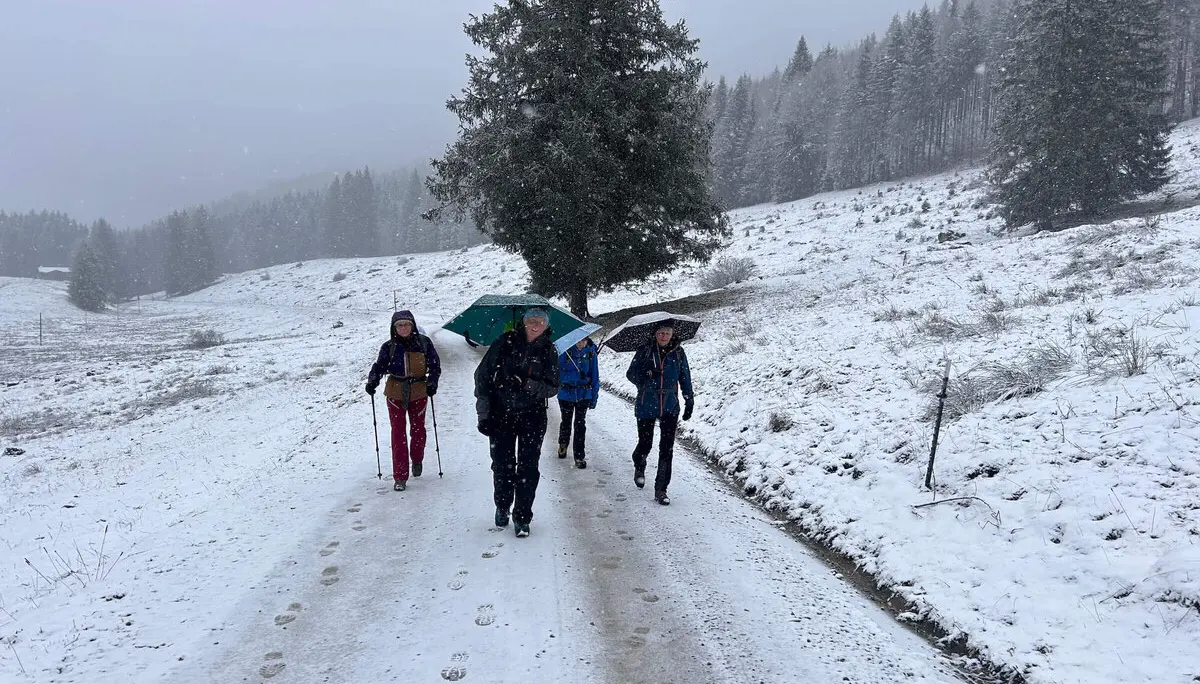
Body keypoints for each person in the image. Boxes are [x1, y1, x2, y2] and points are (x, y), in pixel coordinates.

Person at [474, 308, 561, 537]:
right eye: (531, 320)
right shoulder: (503, 343)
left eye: (541, 321)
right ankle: (503, 505)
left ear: (546, 326)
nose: (535, 325)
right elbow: (482, 378)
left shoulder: (548, 350)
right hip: (500, 413)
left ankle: (522, 517)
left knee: (528, 467)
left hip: (533, 416)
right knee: (502, 465)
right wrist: (483, 415)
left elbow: (553, 387)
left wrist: (527, 384)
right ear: (523, 322)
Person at [366, 310, 441, 491]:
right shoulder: (388, 347)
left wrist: (432, 383)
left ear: (412, 325)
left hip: (419, 391)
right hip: (395, 392)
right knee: (398, 434)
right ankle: (400, 476)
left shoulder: (424, 343)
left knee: (418, 430)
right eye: (399, 325)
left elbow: (435, 366)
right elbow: (380, 366)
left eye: (406, 324)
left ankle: (417, 459)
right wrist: (372, 381)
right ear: (394, 328)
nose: (403, 328)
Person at [625, 324, 694, 506]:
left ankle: (661, 489)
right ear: (655, 334)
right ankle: (639, 464)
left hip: (670, 404)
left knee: (667, 448)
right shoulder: (645, 351)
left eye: (667, 333)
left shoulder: (678, 353)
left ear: (673, 334)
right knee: (645, 443)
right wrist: (646, 374)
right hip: (647, 402)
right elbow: (630, 374)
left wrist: (689, 399)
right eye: (661, 333)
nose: (664, 336)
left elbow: (685, 376)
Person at [557, 337, 599, 469]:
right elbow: (557, 374)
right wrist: (575, 376)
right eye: (578, 341)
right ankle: (563, 444)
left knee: (580, 424)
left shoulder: (591, 354)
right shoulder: (565, 352)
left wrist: (594, 397)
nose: (581, 344)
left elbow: (595, 376)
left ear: (587, 341)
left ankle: (579, 456)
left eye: (583, 341)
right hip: (566, 394)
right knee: (566, 421)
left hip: (583, 394)